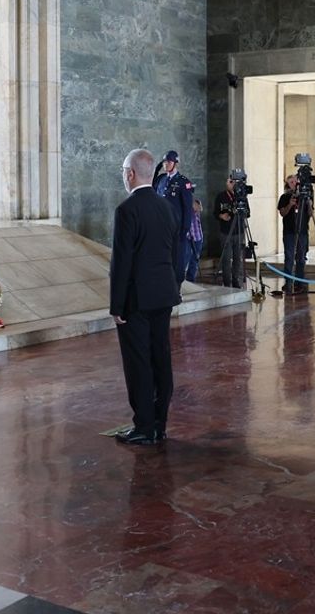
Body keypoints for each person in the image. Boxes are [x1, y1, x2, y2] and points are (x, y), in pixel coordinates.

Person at [110, 148, 182, 445]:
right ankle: (159, 423)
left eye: (123, 171)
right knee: (160, 357)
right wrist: (173, 287)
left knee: (138, 362)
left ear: (130, 173)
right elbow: (175, 254)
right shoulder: (166, 207)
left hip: (136, 300)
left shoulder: (127, 210)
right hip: (164, 295)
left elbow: (122, 262)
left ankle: (143, 426)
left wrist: (117, 305)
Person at [153, 150, 194, 284]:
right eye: (164, 162)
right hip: (161, 227)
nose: (166, 164)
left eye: (168, 162)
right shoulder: (161, 179)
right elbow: (152, 189)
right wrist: (156, 169)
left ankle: (176, 287)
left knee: (177, 260)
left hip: (176, 228)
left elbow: (188, 209)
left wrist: (185, 229)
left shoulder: (183, 182)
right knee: (161, 257)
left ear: (175, 163)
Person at [277, 174, 311, 294]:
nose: (293, 183)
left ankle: (300, 282)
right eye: (290, 182)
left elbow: (310, 214)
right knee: (289, 258)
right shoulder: (284, 197)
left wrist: (309, 203)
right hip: (289, 232)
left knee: (301, 258)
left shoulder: (305, 196)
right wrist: (290, 205)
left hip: (302, 232)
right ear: (287, 184)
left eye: (295, 181)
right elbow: (282, 213)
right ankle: (288, 283)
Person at [214, 174, 245, 288]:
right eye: (229, 181)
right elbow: (215, 213)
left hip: (239, 231)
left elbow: (248, 213)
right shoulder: (221, 196)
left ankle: (236, 280)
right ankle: (227, 282)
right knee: (226, 259)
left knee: (238, 258)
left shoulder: (241, 196)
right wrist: (221, 216)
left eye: (234, 182)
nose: (232, 184)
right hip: (225, 232)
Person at [185, 198, 204, 283]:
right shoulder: (188, 212)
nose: (199, 207)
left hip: (198, 238)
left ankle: (191, 278)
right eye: (197, 205)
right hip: (189, 239)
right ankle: (182, 279)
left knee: (195, 259)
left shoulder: (197, 213)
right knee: (186, 258)